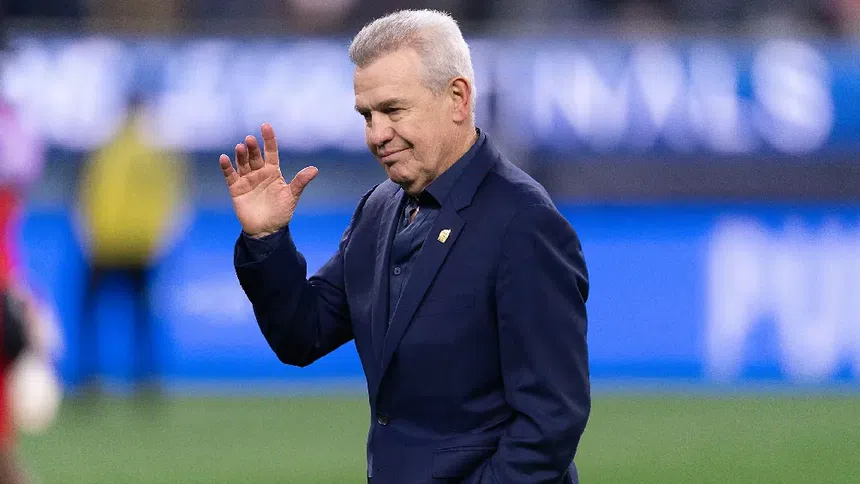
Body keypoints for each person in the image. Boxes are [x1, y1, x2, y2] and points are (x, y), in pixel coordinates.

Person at [220, 9, 590, 483]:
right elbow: (302, 333)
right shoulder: (379, 208)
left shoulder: (524, 222)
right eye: (366, 115)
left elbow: (550, 419)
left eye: (393, 110)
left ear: (457, 98)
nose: (376, 134)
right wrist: (266, 237)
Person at [76, 94, 187, 396]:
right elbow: (174, 199)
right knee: (140, 315)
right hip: (128, 243)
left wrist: (89, 232)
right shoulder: (152, 152)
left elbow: (88, 192)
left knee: (123, 314)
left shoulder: (109, 148)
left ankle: (110, 376)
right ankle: (139, 377)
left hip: (115, 242)